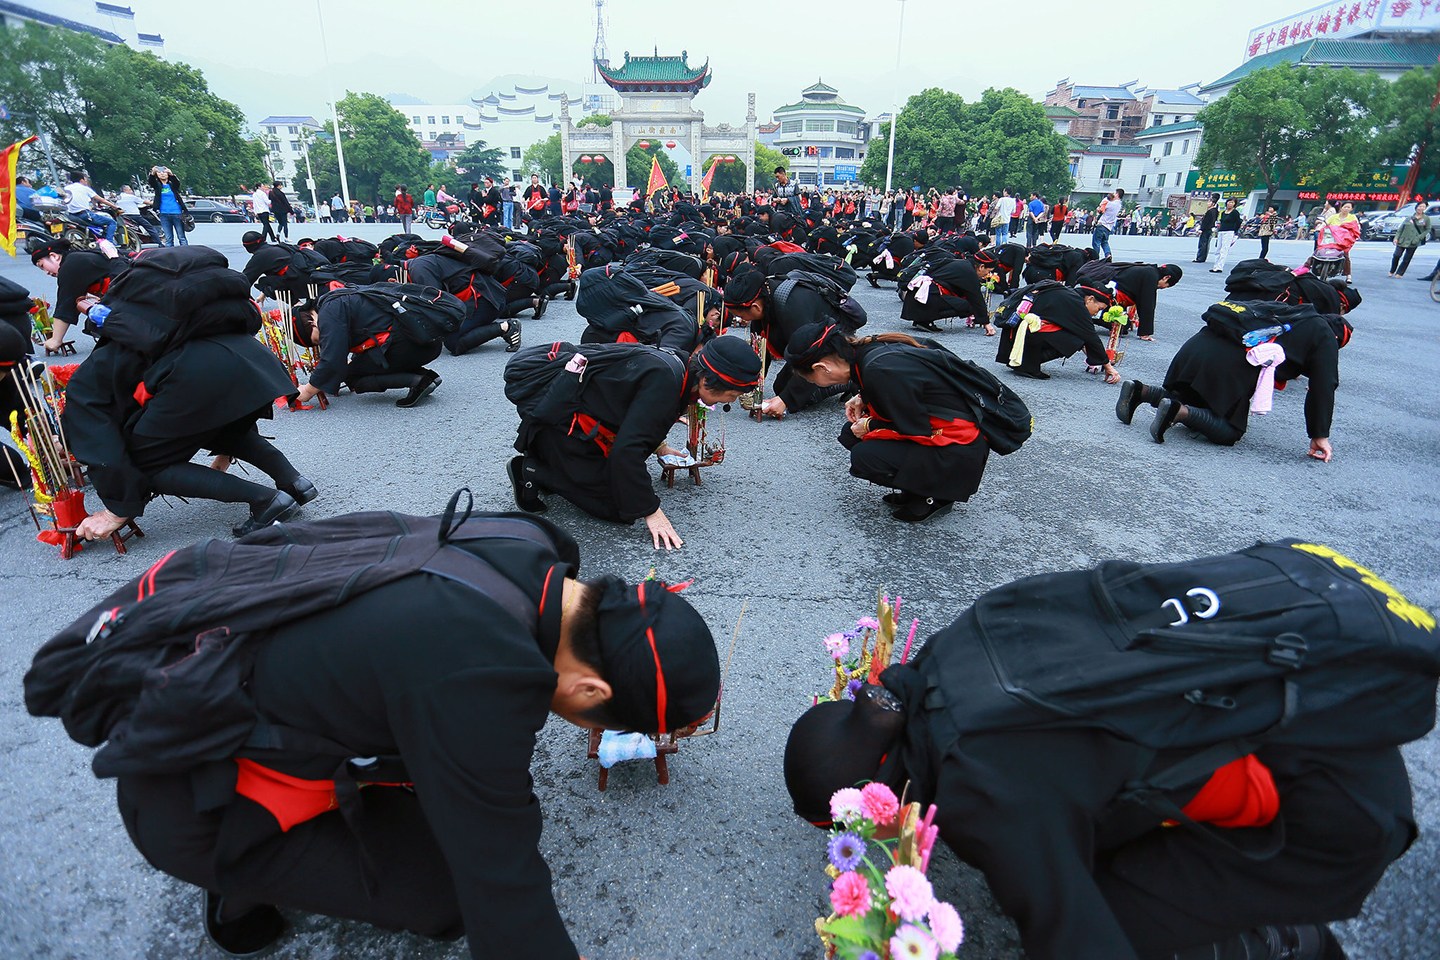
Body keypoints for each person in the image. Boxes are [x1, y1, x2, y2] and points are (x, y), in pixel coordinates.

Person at [30, 506, 721, 959]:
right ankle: (235, 874)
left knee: (450, 784)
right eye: (601, 722)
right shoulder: (480, 674)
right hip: (189, 789)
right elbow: (503, 887)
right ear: (592, 691)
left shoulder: (531, 544)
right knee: (449, 896)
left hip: (221, 645)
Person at [783, 543, 1425, 960]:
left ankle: (1290, 942)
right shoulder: (953, 651)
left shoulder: (976, 784)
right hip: (1296, 696)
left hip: (1331, 806)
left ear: (881, 795)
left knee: (1122, 917)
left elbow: (1071, 934)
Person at [59, 249, 315, 540]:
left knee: (147, 464)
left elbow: (97, 433)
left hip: (196, 377)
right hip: (251, 361)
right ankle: (295, 483)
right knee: (213, 428)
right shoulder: (172, 318)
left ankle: (266, 500)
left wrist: (116, 509)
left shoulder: (117, 348)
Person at [507, 337, 761, 550]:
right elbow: (627, 451)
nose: (733, 400)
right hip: (560, 423)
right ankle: (533, 469)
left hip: (574, 418)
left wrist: (660, 447)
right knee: (617, 507)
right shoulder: (666, 382)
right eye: (733, 394)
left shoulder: (681, 366)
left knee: (626, 485)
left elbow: (636, 413)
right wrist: (652, 511)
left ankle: (558, 463)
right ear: (706, 381)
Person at [785, 324, 996, 523]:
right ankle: (916, 489)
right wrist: (862, 397)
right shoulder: (869, 350)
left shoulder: (879, 370)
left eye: (812, 380)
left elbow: (916, 426)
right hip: (956, 438)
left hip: (959, 448)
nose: (814, 384)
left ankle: (934, 496)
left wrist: (870, 425)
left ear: (822, 367)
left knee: (865, 456)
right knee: (851, 433)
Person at [1117, 302, 1348, 460]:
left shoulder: (1285, 310)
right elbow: (1324, 386)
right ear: (1337, 338)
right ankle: (1178, 412)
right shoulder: (1325, 335)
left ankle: (1142, 391)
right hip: (1231, 365)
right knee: (1230, 431)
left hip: (1196, 347)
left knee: (1193, 395)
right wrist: (1319, 435)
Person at [722, 267, 858, 419]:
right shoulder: (764, 298)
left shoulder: (791, 306)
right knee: (780, 386)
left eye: (739, 315)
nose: (741, 319)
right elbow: (761, 347)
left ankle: (845, 380)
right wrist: (748, 382)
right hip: (804, 340)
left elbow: (811, 355)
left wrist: (785, 400)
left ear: (755, 307)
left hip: (829, 343)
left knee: (792, 394)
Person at [289, 288, 443, 408]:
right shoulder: (335, 299)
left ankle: (418, 380)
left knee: (352, 376)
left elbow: (332, 360)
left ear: (311, 322)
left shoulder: (328, 313)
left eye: (318, 338)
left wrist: (308, 390)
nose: (322, 341)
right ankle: (428, 377)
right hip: (424, 339)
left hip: (410, 344)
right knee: (359, 365)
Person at [993, 282, 1121, 383]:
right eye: (1099, 309)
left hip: (1015, 337)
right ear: (1090, 299)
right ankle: (1027, 366)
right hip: (1025, 334)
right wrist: (1108, 367)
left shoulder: (1069, 293)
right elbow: (1090, 337)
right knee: (1076, 339)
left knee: (1076, 335)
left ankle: (1023, 363)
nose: (1097, 313)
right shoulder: (1076, 303)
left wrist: (1097, 360)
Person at [28, 238, 128, 351]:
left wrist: (55, 340)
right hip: (129, 292)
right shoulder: (76, 258)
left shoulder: (71, 265)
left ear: (54, 256)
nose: (46, 272)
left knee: (96, 321)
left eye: (42, 266)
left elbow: (66, 303)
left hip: (136, 293)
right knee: (92, 321)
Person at [63, 172, 120, 243]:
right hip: (84, 215)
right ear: (81, 180)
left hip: (71, 216)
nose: (86, 182)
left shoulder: (66, 188)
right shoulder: (85, 188)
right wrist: (115, 207)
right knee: (112, 222)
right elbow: (101, 199)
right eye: (85, 180)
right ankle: (110, 244)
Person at [1390, 199, 1430, 278]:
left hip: (1414, 241)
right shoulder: (1409, 218)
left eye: (1423, 207)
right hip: (1402, 239)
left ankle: (1400, 273)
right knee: (1396, 255)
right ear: (1416, 207)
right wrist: (1396, 238)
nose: (1421, 208)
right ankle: (1392, 270)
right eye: (1420, 206)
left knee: (1407, 258)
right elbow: (1401, 228)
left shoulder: (1426, 218)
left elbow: (1427, 229)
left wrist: (1419, 238)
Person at [1211, 198, 1243, 274]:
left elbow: (1238, 222)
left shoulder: (1235, 212)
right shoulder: (1223, 212)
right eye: (1229, 202)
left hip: (1229, 232)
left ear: (1234, 204)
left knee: (1224, 250)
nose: (1230, 204)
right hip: (1221, 231)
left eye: (1232, 202)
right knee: (1218, 249)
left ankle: (1220, 267)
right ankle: (1215, 266)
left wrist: (1235, 231)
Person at [1092, 188, 1123, 259]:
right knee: (1104, 242)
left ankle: (1095, 258)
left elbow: (1100, 210)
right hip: (1109, 227)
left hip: (1102, 224)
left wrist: (1106, 199)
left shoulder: (1109, 203)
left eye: (1114, 193)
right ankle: (1108, 255)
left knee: (1096, 243)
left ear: (1117, 194)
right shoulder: (1119, 205)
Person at [1194, 198, 1219, 263]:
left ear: (1213, 203)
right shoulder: (1216, 211)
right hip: (1210, 229)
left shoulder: (1210, 211)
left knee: (1202, 244)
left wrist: (1201, 229)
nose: (1207, 203)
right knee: (1206, 244)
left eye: (1209, 202)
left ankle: (1200, 258)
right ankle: (1203, 257)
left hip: (1206, 229)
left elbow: (1206, 222)